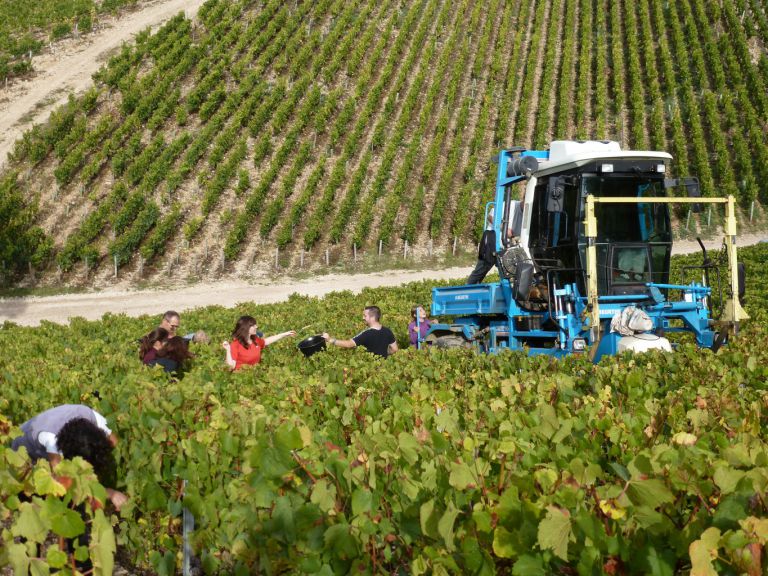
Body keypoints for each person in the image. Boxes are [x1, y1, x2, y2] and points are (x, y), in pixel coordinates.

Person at [11, 404, 128, 510]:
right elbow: (66, 484)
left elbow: (113, 441)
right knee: (54, 493)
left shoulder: (88, 414)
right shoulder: (52, 442)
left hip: (52, 433)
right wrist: (110, 493)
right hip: (22, 452)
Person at [467, 202, 522, 284]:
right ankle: (468, 290)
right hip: (493, 242)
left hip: (508, 248)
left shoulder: (531, 213)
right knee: (480, 271)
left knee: (510, 275)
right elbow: (490, 217)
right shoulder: (509, 205)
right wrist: (504, 228)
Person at [222, 315, 295, 370]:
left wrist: (284, 334)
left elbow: (266, 341)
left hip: (254, 374)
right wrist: (228, 349)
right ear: (246, 328)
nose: (256, 327)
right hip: (241, 377)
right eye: (253, 325)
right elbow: (231, 366)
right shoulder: (235, 344)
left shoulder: (255, 340)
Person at [322, 306, 398, 358]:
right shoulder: (388, 331)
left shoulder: (366, 334)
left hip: (369, 367)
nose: (363, 318)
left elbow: (349, 344)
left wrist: (330, 340)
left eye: (365, 316)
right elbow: (394, 349)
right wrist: (383, 354)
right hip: (383, 368)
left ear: (372, 317)